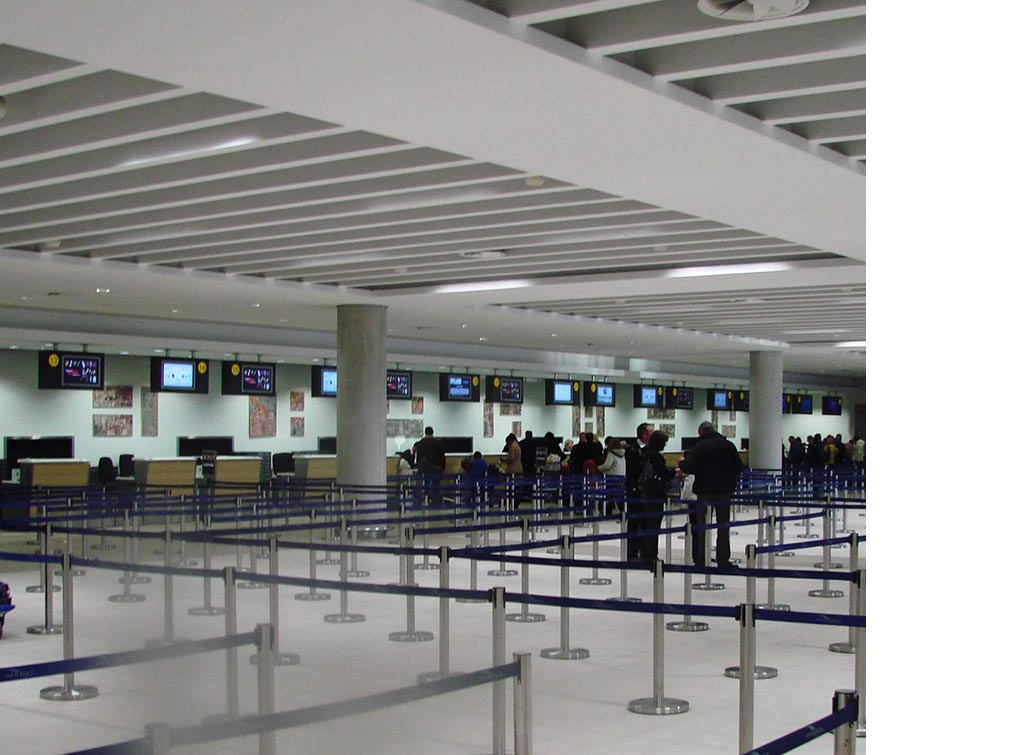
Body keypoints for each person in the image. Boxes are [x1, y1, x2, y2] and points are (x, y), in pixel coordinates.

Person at [679, 420, 745, 570]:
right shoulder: (728, 445)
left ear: (701, 432)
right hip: (724, 491)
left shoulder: (699, 447)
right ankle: (723, 559)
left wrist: (682, 463)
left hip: (704, 492)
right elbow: (739, 467)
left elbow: (690, 467)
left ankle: (702, 559)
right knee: (723, 526)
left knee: (702, 526)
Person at [635, 430, 674, 565]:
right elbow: (663, 473)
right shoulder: (655, 456)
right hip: (654, 494)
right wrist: (675, 472)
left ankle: (647, 553)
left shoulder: (647, 454)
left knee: (648, 524)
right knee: (653, 525)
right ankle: (650, 555)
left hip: (647, 492)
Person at [624, 422, 654, 561]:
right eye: (651, 433)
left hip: (647, 492)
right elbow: (633, 470)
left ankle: (645, 552)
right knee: (634, 523)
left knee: (646, 522)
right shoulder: (632, 449)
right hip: (635, 491)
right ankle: (632, 553)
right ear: (644, 435)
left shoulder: (651, 449)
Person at [415, 426, 446, 506]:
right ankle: (436, 502)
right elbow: (442, 456)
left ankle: (426, 500)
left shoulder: (421, 442)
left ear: (425, 432)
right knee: (436, 485)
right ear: (433, 432)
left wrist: (419, 468)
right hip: (436, 468)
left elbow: (419, 457)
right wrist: (442, 467)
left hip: (425, 468)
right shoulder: (438, 442)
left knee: (426, 485)